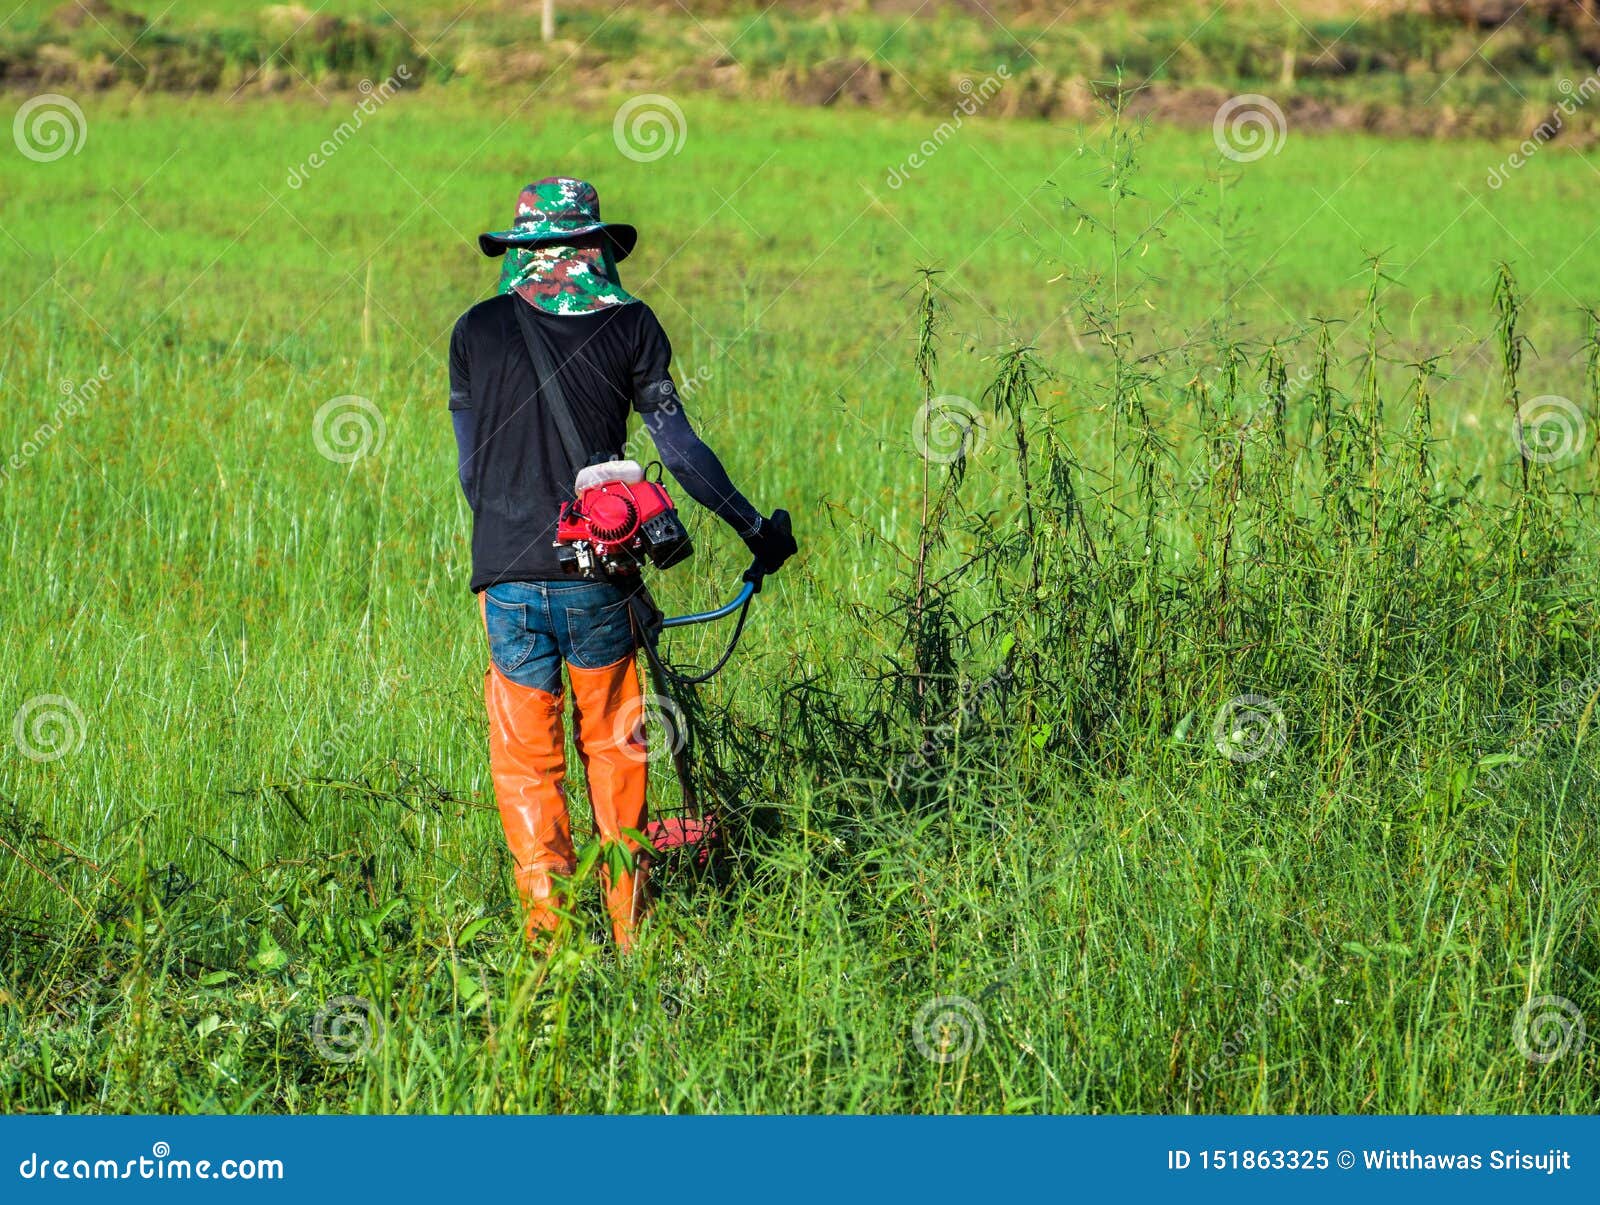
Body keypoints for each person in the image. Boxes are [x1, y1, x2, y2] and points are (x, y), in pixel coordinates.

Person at [448, 178, 796, 951]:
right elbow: (678, 448)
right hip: (598, 579)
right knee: (615, 751)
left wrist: (515, 536)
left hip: (503, 578)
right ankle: (631, 938)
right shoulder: (631, 326)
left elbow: (471, 474)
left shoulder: (474, 330)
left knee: (527, 763)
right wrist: (751, 528)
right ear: (594, 246)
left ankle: (551, 945)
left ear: (520, 252)